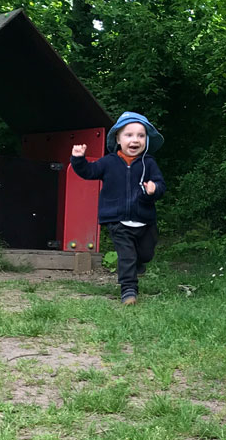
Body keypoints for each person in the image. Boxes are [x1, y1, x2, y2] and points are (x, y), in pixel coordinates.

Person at [71, 111, 166, 306]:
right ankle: (128, 290)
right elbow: (88, 172)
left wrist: (154, 188)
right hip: (118, 221)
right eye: (129, 135)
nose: (135, 140)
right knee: (126, 256)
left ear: (146, 140)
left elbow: (161, 185)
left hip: (145, 220)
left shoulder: (149, 163)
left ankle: (139, 263)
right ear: (118, 139)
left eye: (141, 135)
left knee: (146, 254)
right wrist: (78, 159)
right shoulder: (109, 162)